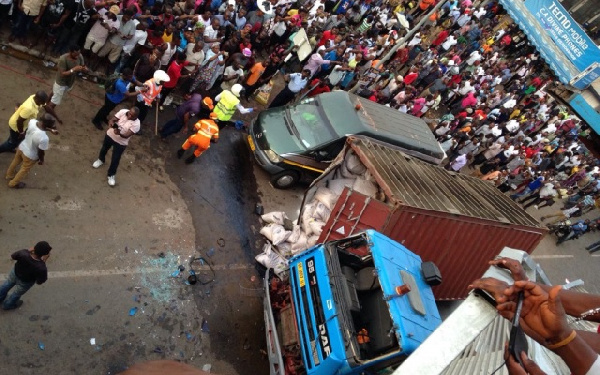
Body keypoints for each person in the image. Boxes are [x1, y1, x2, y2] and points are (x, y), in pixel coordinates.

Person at [6, 114, 58, 189]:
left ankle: (9, 175)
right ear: (47, 124)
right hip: (30, 156)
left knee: (15, 161)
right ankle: (13, 183)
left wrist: (50, 130)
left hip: (21, 148)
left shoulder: (33, 122)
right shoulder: (44, 138)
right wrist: (41, 160)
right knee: (24, 170)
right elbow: (41, 152)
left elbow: (39, 128)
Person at [92, 107, 140, 186]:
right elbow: (113, 119)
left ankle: (111, 174)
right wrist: (111, 122)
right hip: (110, 135)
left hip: (121, 143)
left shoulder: (137, 124)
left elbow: (127, 135)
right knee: (104, 148)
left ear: (136, 117)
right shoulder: (123, 111)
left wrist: (120, 134)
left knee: (115, 159)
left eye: (132, 116)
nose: (130, 116)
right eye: (129, 114)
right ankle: (101, 160)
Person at [0, 241, 52, 310]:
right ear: (44, 254)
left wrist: (28, 250)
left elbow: (13, 256)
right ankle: (8, 305)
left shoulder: (23, 253)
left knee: (6, 285)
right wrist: (44, 261)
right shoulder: (41, 267)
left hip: (15, 274)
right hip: (26, 282)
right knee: (16, 293)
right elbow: (40, 281)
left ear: (34, 248)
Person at [49, 45, 87, 110]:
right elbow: (62, 74)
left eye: (78, 54)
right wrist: (74, 69)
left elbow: (83, 66)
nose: (77, 56)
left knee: (54, 93)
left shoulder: (79, 56)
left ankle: (46, 103)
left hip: (69, 82)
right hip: (61, 83)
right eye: (75, 55)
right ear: (70, 52)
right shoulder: (63, 59)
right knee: (54, 102)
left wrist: (84, 69)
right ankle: (47, 115)